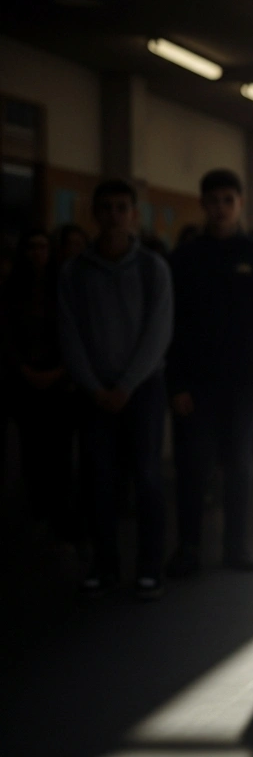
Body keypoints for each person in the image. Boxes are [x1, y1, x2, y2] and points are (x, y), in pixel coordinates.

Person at [165, 169, 253, 577]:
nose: (220, 208)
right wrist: (176, 383)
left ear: (239, 204)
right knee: (193, 467)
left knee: (238, 465)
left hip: (244, 383)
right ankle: (188, 547)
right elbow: (173, 326)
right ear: (202, 204)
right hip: (196, 382)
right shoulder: (184, 259)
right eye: (213, 201)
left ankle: (236, 545)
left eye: (228, 201)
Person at [57, 179, 173, 599]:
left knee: (147, 478)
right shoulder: (74, 272)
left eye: (122, 208)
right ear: (94, 214)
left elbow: (159, 331)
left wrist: (126, 384)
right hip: (93, 393)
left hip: (142, 388)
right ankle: (105, 566)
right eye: (105, 208)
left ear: (134, 216)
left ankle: (149, 569)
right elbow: (69, 333)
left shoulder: (151, 268)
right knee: (98, 480)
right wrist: (93, 385)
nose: (113, 216)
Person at [2, 230, 77, 547]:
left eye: (43, 246)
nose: (37, 253)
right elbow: (5, 333)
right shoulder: (11, 289)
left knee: (59, 450)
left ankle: (61, 515)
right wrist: (24, 369)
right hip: (25, 378)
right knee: (32, 451)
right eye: (31, 247)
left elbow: (75, 331)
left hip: (59, 377)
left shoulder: (64, 286)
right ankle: (39, 511)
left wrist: (60, 369)